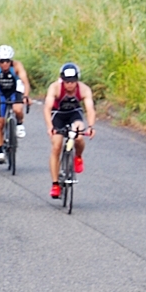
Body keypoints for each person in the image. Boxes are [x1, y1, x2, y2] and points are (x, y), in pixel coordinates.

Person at [43, 62, 96, 198]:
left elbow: (90, 109)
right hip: (58, 115)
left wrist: (91, 127)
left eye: (72, 81)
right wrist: (50, 127)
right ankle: (55, 184)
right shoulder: (55, 88)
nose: (70, 85)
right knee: (56, 146)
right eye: (67, 82)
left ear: (77, 80)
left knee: (78, 136)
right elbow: (47, 108)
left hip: (74, 114)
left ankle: (78, 156)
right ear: (62, 80)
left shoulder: (84, 89)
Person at [0, 45, 30, 164]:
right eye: (2, 61)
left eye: (7, 61)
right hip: (1, 93)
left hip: (14, 91)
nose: (5, 64)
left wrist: (25, 96)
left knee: (17, 109)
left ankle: (19, 124)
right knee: (0, 123)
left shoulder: (17, 66)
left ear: (11, 61)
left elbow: (25, 82)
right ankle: (0, 151)